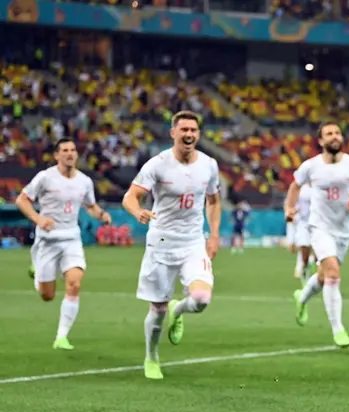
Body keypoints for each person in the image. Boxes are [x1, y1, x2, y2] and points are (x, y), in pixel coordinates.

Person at [122, 110, 221, 380]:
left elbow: (213, 200)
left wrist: (213, 235)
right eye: (184, 130)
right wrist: (137, 212)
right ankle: (152, 357)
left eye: (193, 130)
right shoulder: (158, 164)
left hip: (192, 241)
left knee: (201, 299)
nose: (189, 134)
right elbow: (131, 197)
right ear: (173, 133)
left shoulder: (209, 165)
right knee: (157, 308)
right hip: (162, 241)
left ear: (198, 134)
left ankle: (181, 309)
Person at [15, 137, 112, 350]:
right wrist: (39, 219)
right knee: (47, 295)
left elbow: (91, 206)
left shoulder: (84, 181)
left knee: (75, 283)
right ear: (57, 155)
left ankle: (61, 337)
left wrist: (102, 214)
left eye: (73, 150)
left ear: (77, 154)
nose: (69, 154)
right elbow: (22, 200)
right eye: (65, 150)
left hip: (71, 239)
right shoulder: (45, 178)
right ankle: (37, 271)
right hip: (47, 241)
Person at [283, 121, 349, 348]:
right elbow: (294, 186)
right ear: (320, 141)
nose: (334, 136)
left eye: (337, 133)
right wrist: (289, 209)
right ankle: (338, 329)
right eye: (329, 134)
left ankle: (301, 297)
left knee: (324, 277)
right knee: (333, 272)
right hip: (319, 227)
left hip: (343, 230)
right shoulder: (310, 166)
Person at [289, 183, 315, 282]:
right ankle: (305, 281)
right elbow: (292, 206)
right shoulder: (300, 188)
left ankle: (317, 274)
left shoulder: (320, 185)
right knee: (304, 251)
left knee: (319, 255)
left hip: (318, 223)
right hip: (303, 223)